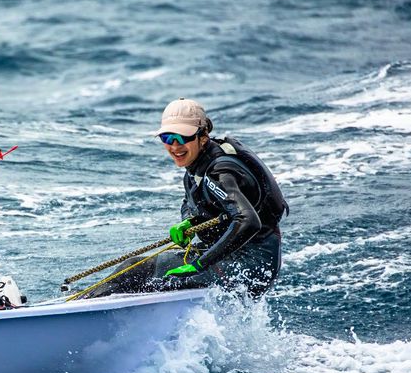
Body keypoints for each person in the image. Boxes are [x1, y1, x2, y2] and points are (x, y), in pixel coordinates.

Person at [87, 97, 288, 298]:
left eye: (183, 137)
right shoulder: (198, 167)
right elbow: (192, 202)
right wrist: (188, 222)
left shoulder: (220, 172)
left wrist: (198, 265)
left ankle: (85, 307)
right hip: (237, 260)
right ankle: (84, 301)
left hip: (248, 267)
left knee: (137, 272)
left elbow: (248, 220)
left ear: (203, 136)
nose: (175, 146)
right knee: (137, 270)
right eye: (167, 138)